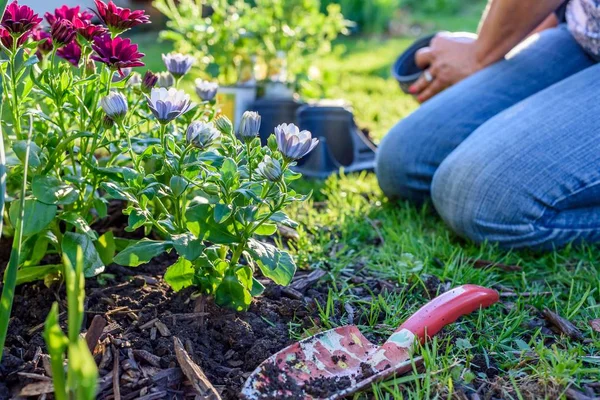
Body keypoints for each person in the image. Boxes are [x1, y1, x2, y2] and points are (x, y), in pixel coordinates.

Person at [376, 0, 600, 250]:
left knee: (480, 198)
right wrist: (515, 40)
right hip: (581, 36)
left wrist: (479, 55)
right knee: (404, 159)